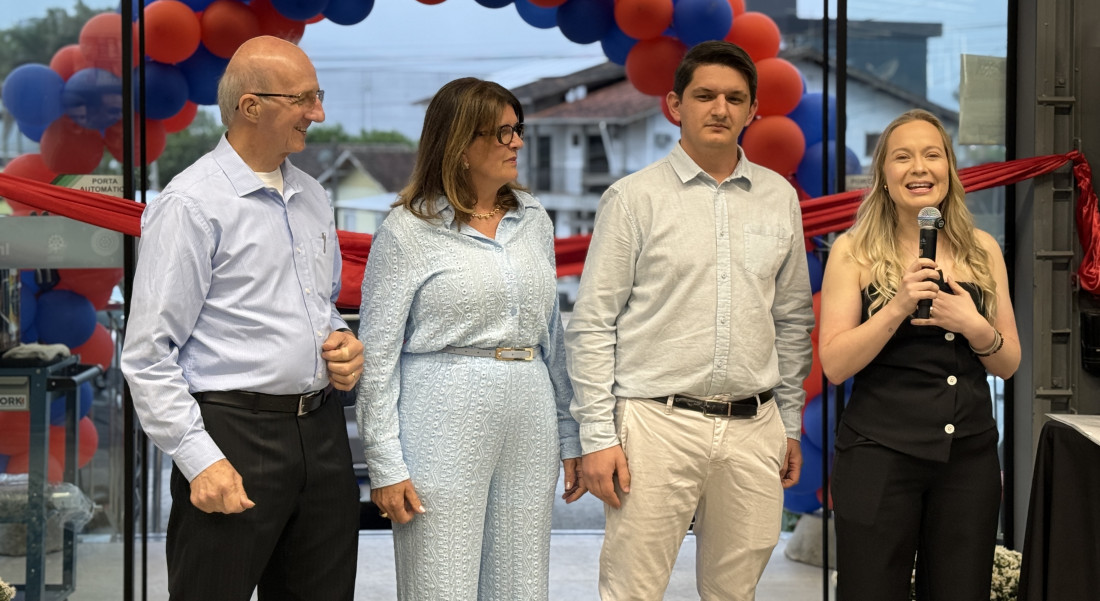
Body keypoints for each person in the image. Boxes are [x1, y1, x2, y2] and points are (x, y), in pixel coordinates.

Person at [565, 40, 815, 601]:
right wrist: (598, 436)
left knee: (736, 593)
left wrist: (790, 424)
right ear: (676, 105)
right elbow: (593, 323)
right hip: (655, 426)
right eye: (704, 96)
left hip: (756, 427)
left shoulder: (780, 199)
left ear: (754, 112)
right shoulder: (632, 199)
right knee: (633, 591)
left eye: (734, 98)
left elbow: (793, 319)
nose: (719, 109)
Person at [120, 35, 364, 601]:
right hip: (232, 435)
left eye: (318, 95)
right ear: (251, 106)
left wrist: (344, 343)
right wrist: (199, 460)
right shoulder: (190, 206)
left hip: (323, 434)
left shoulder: (313, 196)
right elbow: (148, 355)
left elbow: (319, 304)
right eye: (303, 98)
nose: (319, 113)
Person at [356, 77, 584, 601]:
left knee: (522, 587)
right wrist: (385, 464)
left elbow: (553, 337)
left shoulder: (535, 221)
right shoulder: (406, 230)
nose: (518, 143)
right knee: (441, 584)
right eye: (503, 133)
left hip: (529, 415)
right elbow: (379, 356)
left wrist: (570, 434)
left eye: (518, 129)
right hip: (439, 416)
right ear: (459, 145)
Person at [819, 109, 1020, 601]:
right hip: (878, 454)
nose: (919, 168)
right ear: (883, 177)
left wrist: (974, 326)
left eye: (933, 155)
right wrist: (897, 307)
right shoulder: (852, 251)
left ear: (950, 170)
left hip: (968, 458)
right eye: (902, 157)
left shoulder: (983, 249)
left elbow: (1008, 362)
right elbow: (835, 364)